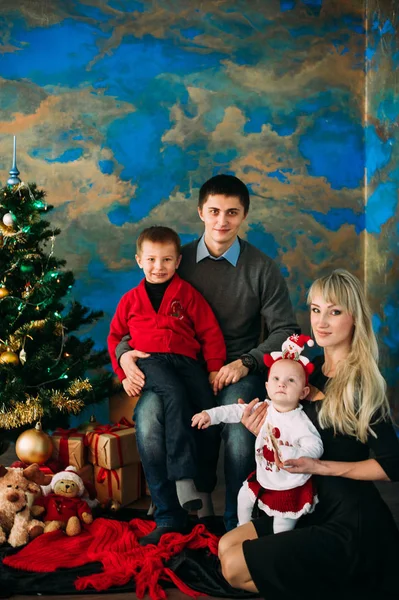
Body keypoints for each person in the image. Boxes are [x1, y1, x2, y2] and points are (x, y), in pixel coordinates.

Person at [116, 174, 299, 535]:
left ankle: (236, 521)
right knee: (150, 418)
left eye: (232, 213)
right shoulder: (173, 258)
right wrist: (124, 355)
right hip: (172, 367)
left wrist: (245, 362)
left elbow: (285, 331)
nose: (222, 221)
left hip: (236, 367)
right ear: (201, 211)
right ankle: (169, 513)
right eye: (214, 211)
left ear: (244, 215)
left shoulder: (261, 268)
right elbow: (135, 318)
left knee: (238, 426)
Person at [217, 269, 399, 600]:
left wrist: (322, 467)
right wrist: (264, 430)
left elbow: (392, 465)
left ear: (355, 317)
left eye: (335, 311)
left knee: (234, 567)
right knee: (226, 544)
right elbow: (290, 430)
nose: (322, 321)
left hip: (349, 518)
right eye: (316, 310)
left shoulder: (362, 382)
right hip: (309, 502)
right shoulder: (306, 369)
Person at [107, 226, 226, 543]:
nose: (158, 267)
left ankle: (203, 489)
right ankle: (180, 482)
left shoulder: (187, 294)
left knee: (207, 413)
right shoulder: (131, 300)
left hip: (187, 362)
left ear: (178, 261)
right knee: (171, 395)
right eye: (151, 259)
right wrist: (124, 369)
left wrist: (213, 370)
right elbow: (116, 337)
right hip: (151, 361)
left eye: (166, 260)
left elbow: (210, 332)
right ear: (138, 261)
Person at [192, 334, 323, 532]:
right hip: (265, 477)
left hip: (289, 485)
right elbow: (234, 411)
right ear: (267, 387)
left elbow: (315, 445)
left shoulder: (300, 421)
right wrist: (210, 415)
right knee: (244, 495)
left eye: (291, 381)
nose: (282, 384)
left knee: (281, 525)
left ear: (303, 392)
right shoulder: (265, 408)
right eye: (276, 379)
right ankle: (241, 528)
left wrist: (296, 454)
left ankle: (276, 548)